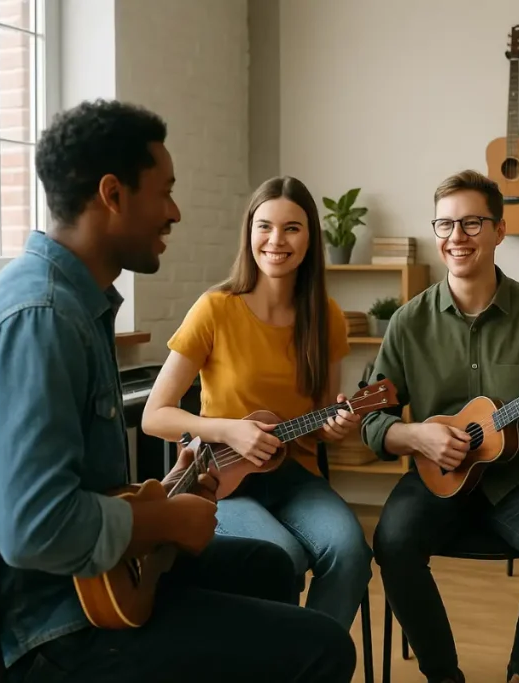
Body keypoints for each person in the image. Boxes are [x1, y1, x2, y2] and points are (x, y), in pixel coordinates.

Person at [0, 99, 356, 683]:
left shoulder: (76, 303)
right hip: (57, 629)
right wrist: (169, 522)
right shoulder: (40, 317)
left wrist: (169, 493)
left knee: (268, 567)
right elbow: (34, 528)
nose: (174, 212)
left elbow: (85, 489)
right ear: (113, 195)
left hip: (103, 581)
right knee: (325, 647)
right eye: (164, 191)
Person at [360, 170, 519, 683]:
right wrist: (417, 435)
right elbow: (372, 421)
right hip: (435, 481)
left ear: (499, 230)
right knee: (392, 542)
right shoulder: (408, 322)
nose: (456, 237)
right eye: (444, 225)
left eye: (471, 223)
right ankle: (443, 675)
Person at [140, 175, 373, 630]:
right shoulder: (215, 309)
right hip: (221, 479)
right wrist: (228, 429)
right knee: (276, 558)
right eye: (264, 226)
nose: (276, 240)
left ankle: (309, 665)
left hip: (295, 478)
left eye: (292, 228)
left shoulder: (326, 317)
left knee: (351, 553)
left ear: (310, 238)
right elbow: (155, 416)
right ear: (249, 233)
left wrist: (339, 426)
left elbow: (326, 414)